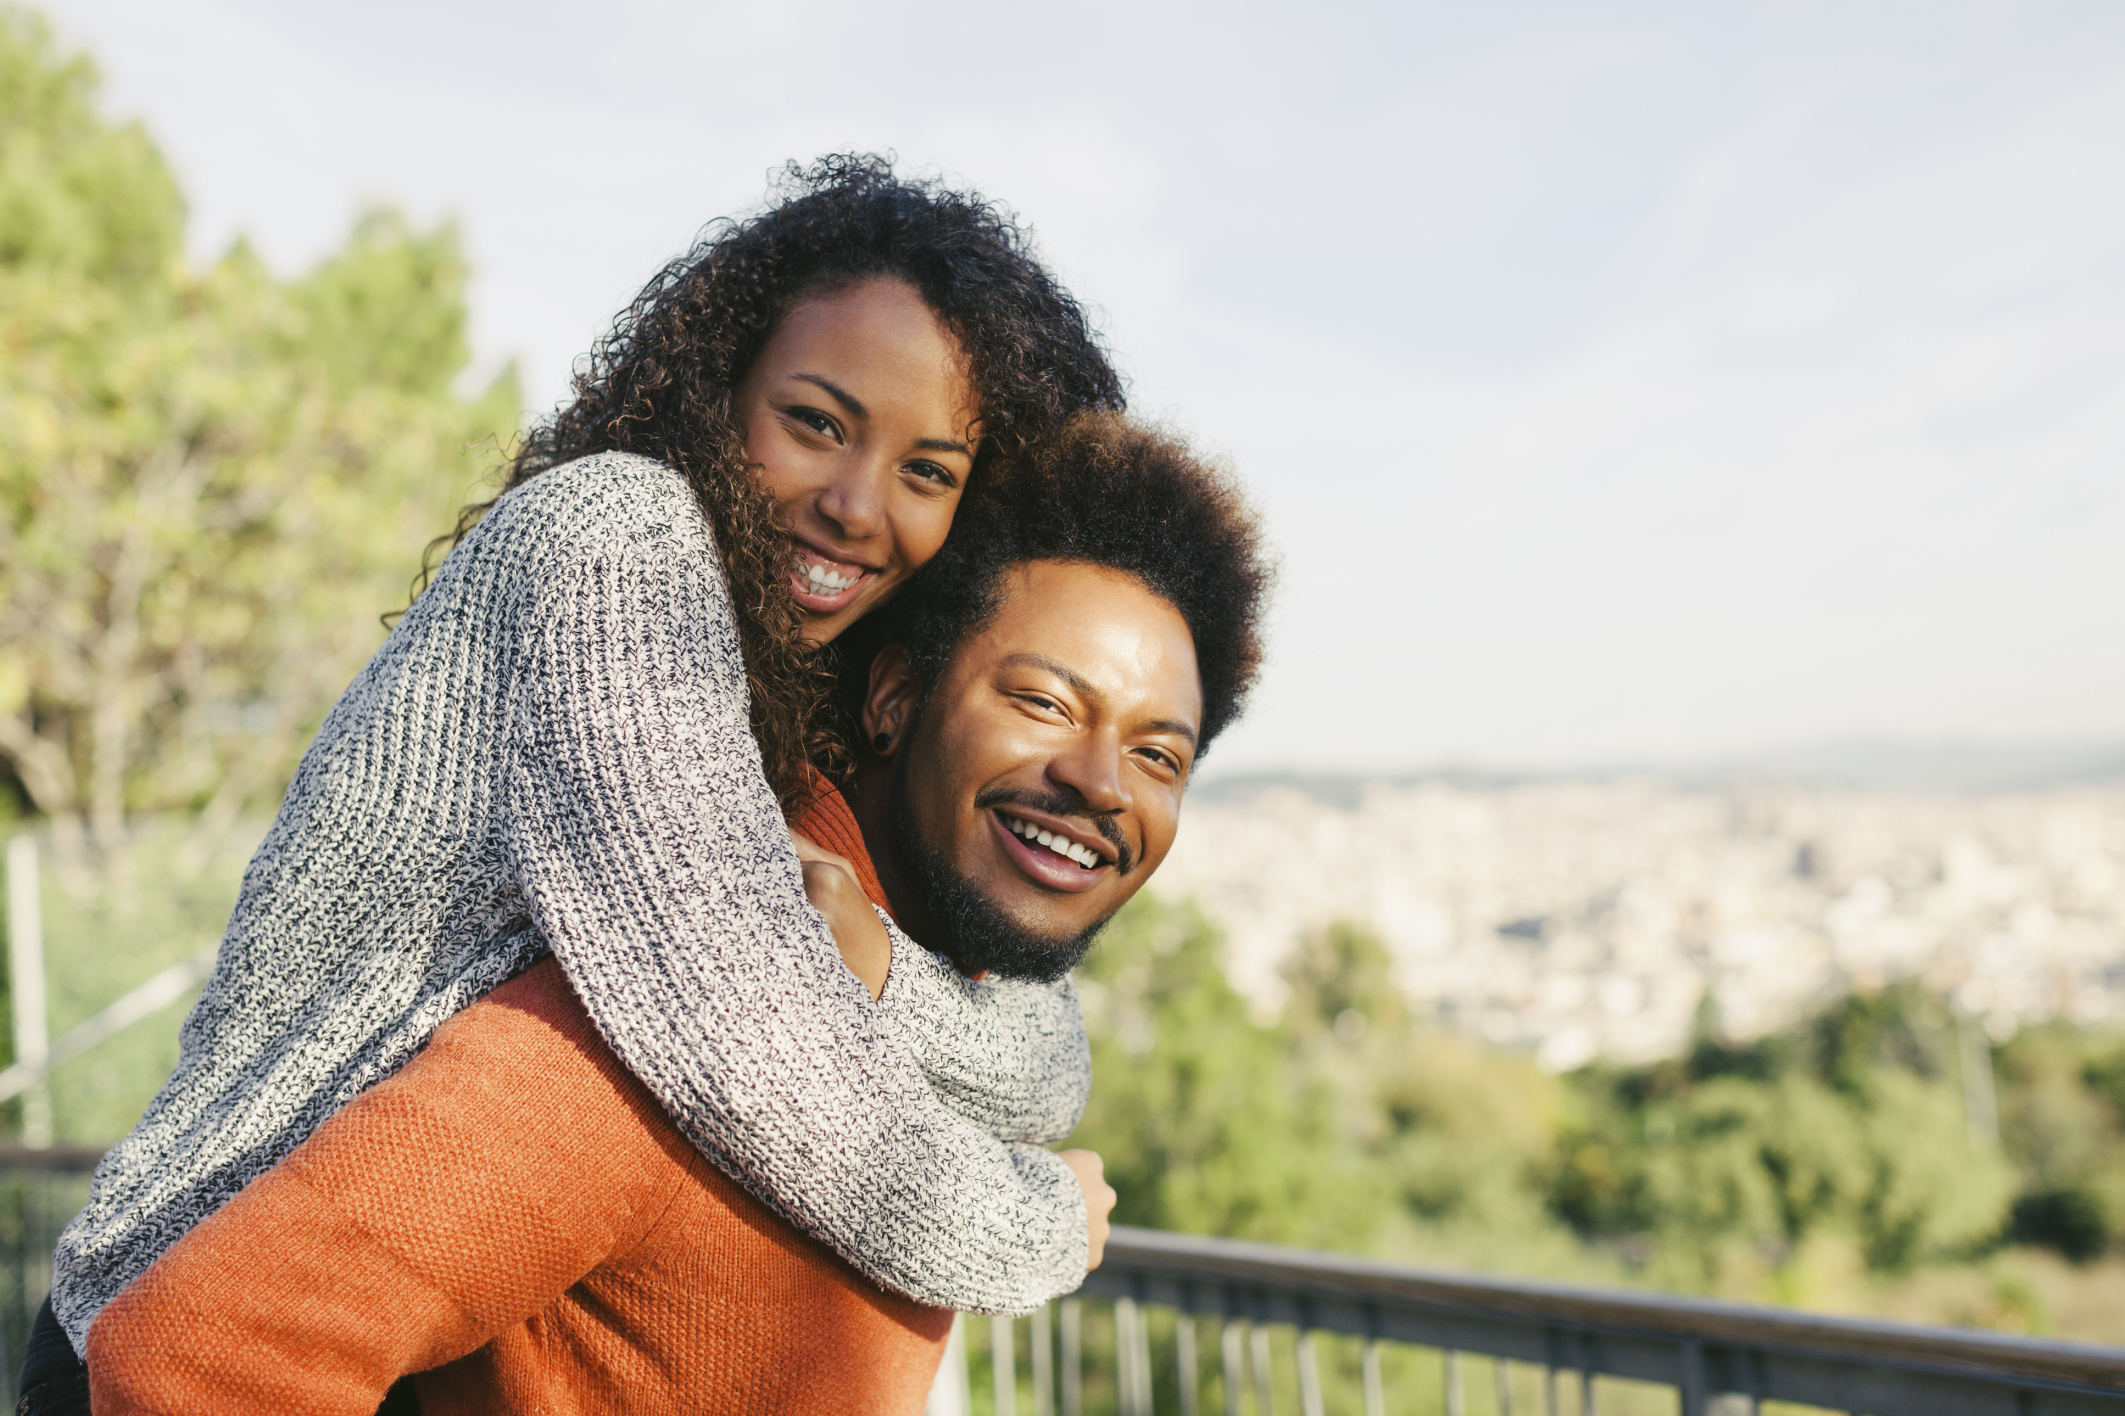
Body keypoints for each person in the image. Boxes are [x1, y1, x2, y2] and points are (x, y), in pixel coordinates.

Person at [24, 156, 1128, 1415]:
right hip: (196, 1326)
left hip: (378, 1330)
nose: (857, 507)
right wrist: (1035, 1225)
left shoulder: (762, 681)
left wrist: (874, 968)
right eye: (816, 423)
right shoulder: (616, 536)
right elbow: (739, 1030)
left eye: (930, 472)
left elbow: (1019, 1050)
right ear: (718, 396)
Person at [84, 412, 1272, 1416]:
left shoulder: (929, 1023)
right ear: (896, 699)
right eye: (1043, 702)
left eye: (1160, 755)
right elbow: (194, 1352)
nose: (1102, 781)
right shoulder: (672, 1021)